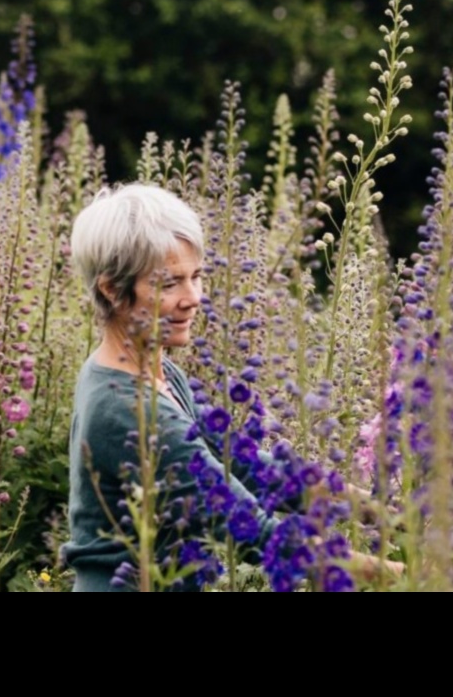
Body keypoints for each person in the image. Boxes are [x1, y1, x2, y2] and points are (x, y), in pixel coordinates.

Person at [59, 183, 396, 591]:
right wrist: (408, 577)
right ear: (111, 289)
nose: (193, 297)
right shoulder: (124, 406)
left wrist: (377, 509)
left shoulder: (157, 374)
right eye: (169, 284)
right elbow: (254, 530)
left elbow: (248, 466)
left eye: (196, 277)